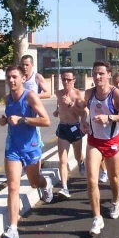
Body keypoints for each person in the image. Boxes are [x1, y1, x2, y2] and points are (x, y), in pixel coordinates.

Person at [78, 61, 119, 236]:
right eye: (95, 73)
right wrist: (83, 120)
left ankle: (115, 201)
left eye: (101, 73)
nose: (97, 77)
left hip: (112, 141)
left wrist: (109, 117)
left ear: (109, 75)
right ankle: (97, 218)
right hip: (94, 141)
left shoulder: (116, 94)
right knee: (92, 180)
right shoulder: (89, 93)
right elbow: (83, 109)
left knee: (113, 179)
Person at [0, 65, 52, 238]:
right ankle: (13, 229)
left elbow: (46, 121)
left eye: (14, 77)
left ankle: (46, 183)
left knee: (34, 182)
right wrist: (4, 120)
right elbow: (9, 119)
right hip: (13, 148)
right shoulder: (7, 99)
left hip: (31, 147)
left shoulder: (30, 96)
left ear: (23, 79)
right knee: (13, 186)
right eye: (8, 77)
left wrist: (22, 120)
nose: (11, 80)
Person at [53, 70, 86, 198]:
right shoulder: (58, 93)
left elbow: (83, 113)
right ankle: (64, 188)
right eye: (63, 79)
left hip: (74, 128)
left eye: (68, 79)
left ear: (73, 81)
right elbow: (59, 104)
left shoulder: (78, 95)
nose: (65, 82)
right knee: (62, 160)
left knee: (78, 155)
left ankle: (81, 162)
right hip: (63, 128)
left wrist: (70, 104)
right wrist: (57, 110)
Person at [21, 54, 51, 148]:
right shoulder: (19, 78)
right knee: (22, 136)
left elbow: (48, 93)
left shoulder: (37, 77)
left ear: (32, 65)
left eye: (27, 65)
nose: (24, 67)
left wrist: (33, 97)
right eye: (22, 64)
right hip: (22, 110)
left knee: (34, 136)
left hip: (35, 111)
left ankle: (37, 159)